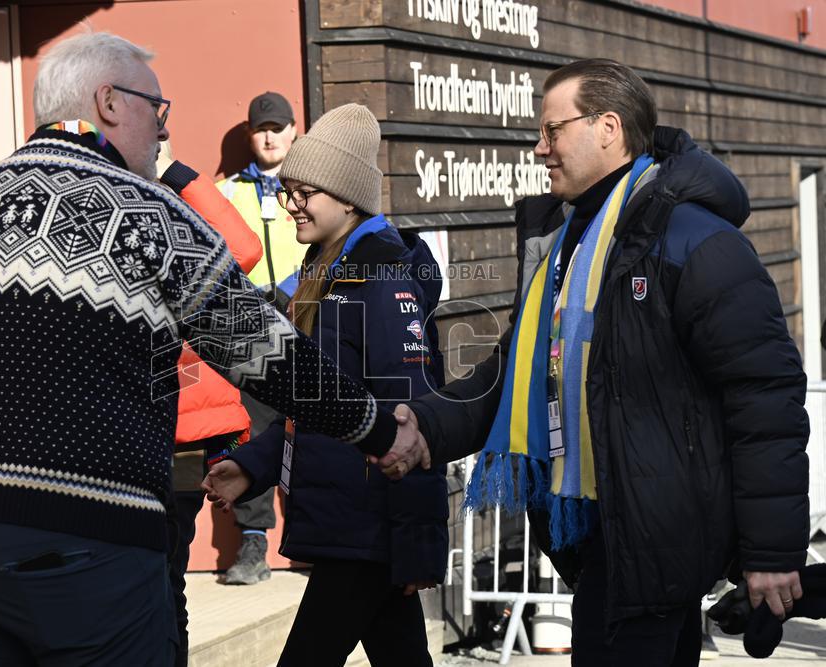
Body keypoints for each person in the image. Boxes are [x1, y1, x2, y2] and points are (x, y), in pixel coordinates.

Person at [0, 33, 402, 666]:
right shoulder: (145, 213)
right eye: (158, 111)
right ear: (110, 102)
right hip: (86, 543)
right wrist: (379, 430)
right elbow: (264, 352)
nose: (162, 133)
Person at [377, 59, 810, 666]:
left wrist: (771, 550)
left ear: (608, 126)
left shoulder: (693, 239)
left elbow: (765, 398)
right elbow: (517, 368)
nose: (539, 148)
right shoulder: (564, 241)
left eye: (553, 131)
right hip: (600, 533)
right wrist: (425, 427)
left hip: (657, 537)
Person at [203, 104, 448, 667]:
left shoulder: (381, 277)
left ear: (347, 197)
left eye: (303, 192)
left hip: (365, 528)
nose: (290, 205)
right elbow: (316, 402)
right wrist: (255, 464)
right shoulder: (325, 271)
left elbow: (409, 417)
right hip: (351, 524)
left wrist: (416, 545)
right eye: (287, 190)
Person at [161, 139, 262, 667]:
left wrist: (176, 175)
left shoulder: (174, 207)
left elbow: (243, 249)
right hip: (119, 430)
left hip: (184, 434)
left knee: (168, 568)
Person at [215, 91, 309, 584]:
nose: (270, 136)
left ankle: (313, 538)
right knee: (249, 429)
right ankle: (253, 545)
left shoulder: (312, 186)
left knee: (315, 423)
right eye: (260, 128)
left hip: (306, 317)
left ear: (295, 130)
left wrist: (296, 287)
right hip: (247, 323)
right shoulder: (225, 192)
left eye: (278, 126)